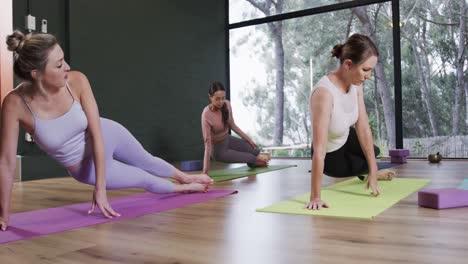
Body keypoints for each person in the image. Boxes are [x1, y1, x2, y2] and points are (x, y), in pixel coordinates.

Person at [0, 31, 213, 231]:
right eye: (58, 65)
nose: (67, 66)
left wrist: (100, 189)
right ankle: (182, 189)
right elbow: (7, 163)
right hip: (83, 166)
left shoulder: (77, 80)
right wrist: (3, 215)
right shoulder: (14, 104)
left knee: (147, 160)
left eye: (64, 59)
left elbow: (97, 133)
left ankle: (184, 177)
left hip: (106, 134)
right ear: (36, 73)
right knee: (143, 178)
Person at [307, 33, 395, 210]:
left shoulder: (357, 85)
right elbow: (320, 149)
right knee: (358, 164)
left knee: (373, 152)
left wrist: (373, 170)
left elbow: (362, 127)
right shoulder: (324, 93)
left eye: (371, 70)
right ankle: (360, 169)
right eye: (365, 70)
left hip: (345, 138)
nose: (368, 76)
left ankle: (368, 171)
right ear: (348, 64)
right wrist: (315, 196)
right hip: (331, 154)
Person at [201, 82, 268, 174]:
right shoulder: (206, 114)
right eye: (217, 99)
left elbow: (233, 126)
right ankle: (252, 161)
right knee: (252, 158)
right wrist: (205, 172)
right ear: (210, 97)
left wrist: (249, 140)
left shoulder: (227, 104)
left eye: (223, 98)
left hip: (228, 140)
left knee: (255, 150)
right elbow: (207, 144)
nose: (221, 102)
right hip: (218, 150)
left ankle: (253, 162)